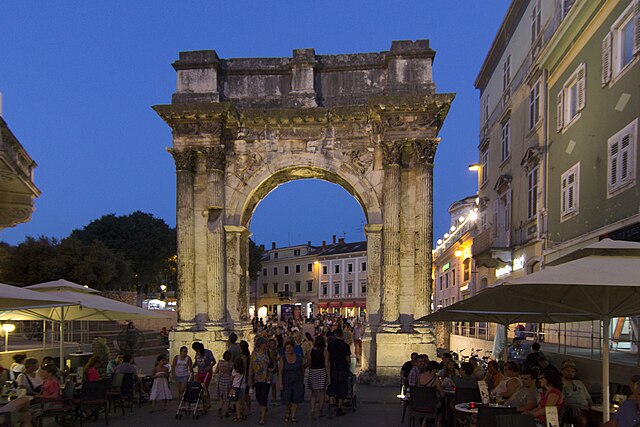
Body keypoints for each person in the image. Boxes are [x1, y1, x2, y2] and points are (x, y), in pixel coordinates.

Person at [248, 336, 273, 425]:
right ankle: (264, 407)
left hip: (267, 378)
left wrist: (272, 369)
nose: (265, 345)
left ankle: (262, 417)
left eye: (265, 343)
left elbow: (273, 363)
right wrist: (250, 379)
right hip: (257, 378)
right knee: (258, 396)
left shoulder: (268, 352)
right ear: (259, 344)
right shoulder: (254, 353)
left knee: (264, 396)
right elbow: (251, 367)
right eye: (264, 343)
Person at [327, 327, 351, 417]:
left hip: (333, 369)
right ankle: (339, 408)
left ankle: (331, 407)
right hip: (342, 369)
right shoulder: (345, 345)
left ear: (335, 335)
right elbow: (348, 359)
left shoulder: (330, 345)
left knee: (332, 388)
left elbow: (328, 357)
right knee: (342, 389)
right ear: (341, 335)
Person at [561, 360, 593, 427]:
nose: (570, 373)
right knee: (582, 420)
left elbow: (588, 398)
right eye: (568, 371)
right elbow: (561, 401)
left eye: (572, 371)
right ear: (562, 371)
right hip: (572, 410)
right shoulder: (560, 384)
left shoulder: (579, 383)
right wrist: (571, 406)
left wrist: (593, 407)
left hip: (586, 408)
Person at [279, 340, 304, 424]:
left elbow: (302, 369)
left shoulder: (299, 358)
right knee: (287, 400)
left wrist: (302, 380)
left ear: (293, 348)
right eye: (287, 348)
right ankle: (287, 411)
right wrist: (280, 383)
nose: (288, 349)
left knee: (295, 399)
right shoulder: (283, 358)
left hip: (297, 381)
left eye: (290, 348)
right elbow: (280, 371)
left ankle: (293, 416)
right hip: (286, 382)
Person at [308, 335, 330, 420]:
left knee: (313, 393)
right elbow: (326, 364)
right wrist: (329, 376)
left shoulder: (311, 351)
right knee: (322, 392)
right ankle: (320, 410)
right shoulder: (325, 352)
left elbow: (309, 363)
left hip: (313, 371)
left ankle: (313, 409)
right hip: (321, 371)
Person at [214, 351, 233, 418]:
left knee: (222, 396)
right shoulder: (231, 365)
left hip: (220, 381)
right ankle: (226, 411)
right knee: (227, 397)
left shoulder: (220, 362)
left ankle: (220, 407)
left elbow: (216, 371)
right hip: (228, 382)